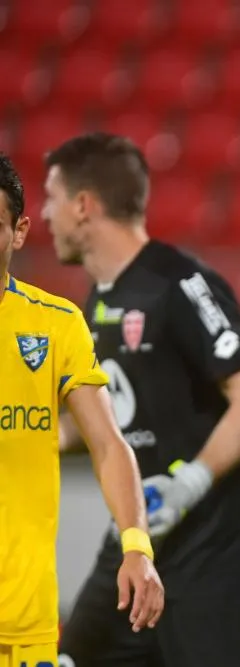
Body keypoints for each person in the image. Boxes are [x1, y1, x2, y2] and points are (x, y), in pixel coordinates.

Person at [42, 133, 240, 667]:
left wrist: (189, 482)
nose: (43, 215)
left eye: (50, 199)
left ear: (84, 206)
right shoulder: (96, 304)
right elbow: (96, 426)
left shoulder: (181, 283)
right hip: (137, 547)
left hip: (215, 562)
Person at [0, 153, 164, 667]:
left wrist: (136, 544)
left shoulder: (55, 325)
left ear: (20, 230)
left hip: (24, 627)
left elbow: (109, 443)